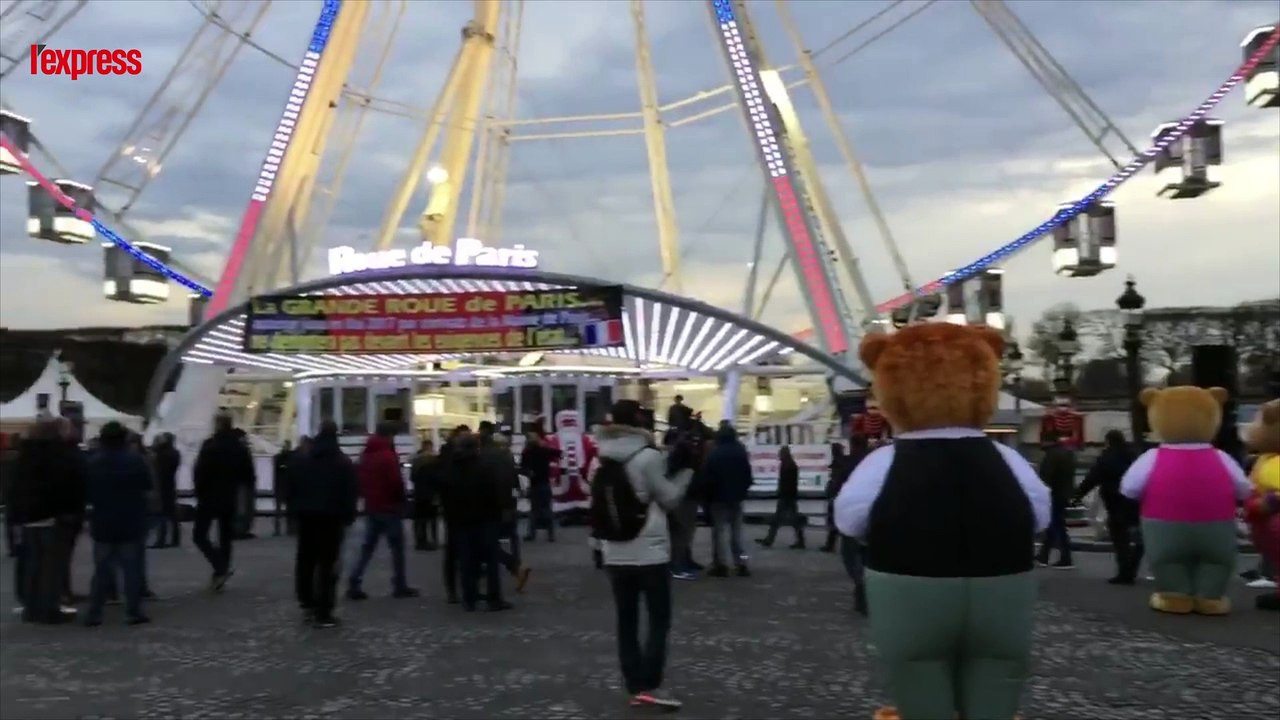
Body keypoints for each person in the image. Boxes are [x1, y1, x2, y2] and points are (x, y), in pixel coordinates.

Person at [594, 400, 694, 709]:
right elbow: (670, 499)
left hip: (615, 552)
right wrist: (687, 471)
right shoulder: (648, 457)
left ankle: (635, 685)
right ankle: (650, 684)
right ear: (640, 423)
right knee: (659, 619)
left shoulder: (599, 459)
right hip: (649, 551)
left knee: (626, 621)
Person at [9, 418, 83, 624]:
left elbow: (14, 487)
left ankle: (31, 608)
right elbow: (64, 486)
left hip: (29, 517)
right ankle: (49, 609)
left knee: (32, 565)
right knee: (50, 566)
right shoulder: (56, 455)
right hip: (51, 515)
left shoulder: (25, 456)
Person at [288, 421, 358, 628]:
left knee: (306, 561)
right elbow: (350, 492)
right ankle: (324, 610)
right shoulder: (342, 462)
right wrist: (348, 516)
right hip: (331, 519)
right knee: (328, 565)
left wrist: (295, 511)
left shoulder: (303, 459)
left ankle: (306, 601)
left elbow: (292, 486)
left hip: (307, 517)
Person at [83, 422, 152, 627]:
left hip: (103, 521)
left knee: (102, 570)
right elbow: (147, 487)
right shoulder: (135, 461)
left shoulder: (93, 463)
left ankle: (94, 612)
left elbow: (87, 493)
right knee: (132, 569)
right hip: (130, 520)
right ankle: (133, 611)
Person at [347, 422, 419, 601]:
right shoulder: (387, 456)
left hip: (372, 506)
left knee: (368, 547)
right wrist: (402, 501)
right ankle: (399, 584)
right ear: (390, 435)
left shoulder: (366, 455)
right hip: (389, 507)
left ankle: (354, 580)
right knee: (397, 548)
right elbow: (395, 482)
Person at [192, 413, 255, 591]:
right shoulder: (240, 448)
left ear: (217, 425)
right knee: (225, 537)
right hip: (230, 497)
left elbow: (199, 472)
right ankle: (221, 571)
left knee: (199, 535)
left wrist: (199, 492)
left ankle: (220, 567)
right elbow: (248, 475)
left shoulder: (210, 445)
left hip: (209, 497)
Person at [1073, 430, 1141, 584]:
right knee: (1139, 538)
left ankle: (1125, 572)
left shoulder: (1106, 458)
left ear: (1108, 442)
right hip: (1135, 501)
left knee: (1120, 540)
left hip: (1115, 503)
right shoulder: (1133, 456)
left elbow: (1091, 479)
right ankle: (1132, 566)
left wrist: (1075, 498)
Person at [480, 423, 531, 594]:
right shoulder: (507, 458)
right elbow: (513, 482)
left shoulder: (489, 459)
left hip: (493, 506)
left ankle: (514, 566)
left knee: (487, 543)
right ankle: (515, 565)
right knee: (505, 537)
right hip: (507, 505)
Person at [702, 421, 754, 577]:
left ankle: (721, 563)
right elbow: (747, 475)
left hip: (718, 498)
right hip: (737, 497)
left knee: (720, 532)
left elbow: (708, 477)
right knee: (737, 533)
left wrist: (707, 496)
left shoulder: (714, 452)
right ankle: (741, 562)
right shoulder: (740, 451)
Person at [437, 425, 470, 604]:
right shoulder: (452, 457)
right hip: (455, 508)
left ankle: (459, 589)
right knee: (455, 551)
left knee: (456, 551)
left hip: (454, 507)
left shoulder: (448, 456)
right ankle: (455, 590)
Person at [1036, 430, 1077, 569]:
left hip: (1054, 494)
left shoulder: (1051, 455)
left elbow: (1046, 477)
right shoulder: (1066, 453)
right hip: (1063, 494)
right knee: (1054, 525)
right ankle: (1044, 555)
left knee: (1057, 526)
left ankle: (1065, 557)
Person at [757, 445, 805, 549]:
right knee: (792, 519)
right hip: (790, 496)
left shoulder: (787, 466)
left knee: (779, 519)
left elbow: (786, 483)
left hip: (786, 496)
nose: (779, 455)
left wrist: (781, 492)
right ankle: (800, 540)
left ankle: (769, 539)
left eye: (780, 453)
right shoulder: (790, 465)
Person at [520, 428, 561, 542]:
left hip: (535, 483)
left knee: (534, 510)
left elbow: (522, 468)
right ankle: (550, 534)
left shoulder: (527, 452)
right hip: (544, 482)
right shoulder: (544, 450)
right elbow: (559, 453)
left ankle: (531, 534)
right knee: (547, 509)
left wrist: (528, 472)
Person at [150, 433, 181, 548]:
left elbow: (158, 466)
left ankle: (161, 539)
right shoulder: (174, 453)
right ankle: (175, 538)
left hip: (162, 485)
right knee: (172, 514)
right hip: (170, 484)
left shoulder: (162, 454)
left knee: (162, 513)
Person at [410, 440, 440, 551]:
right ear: (430, 447)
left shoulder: (416, 460)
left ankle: (420, 541)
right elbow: (437, 478)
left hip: (419, 493)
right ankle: (434, 540)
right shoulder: (435, 460)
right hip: (431, 494)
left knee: (420, 519)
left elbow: (412, 477)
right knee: (432, 519)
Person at [272, 440, 295, 537]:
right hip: (286, 484)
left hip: (282, 484)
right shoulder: (291, 457)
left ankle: (280, 528)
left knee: (280, 509)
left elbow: (278, 468)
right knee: (286, 508)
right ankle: (287, 528)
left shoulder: (280, 457)